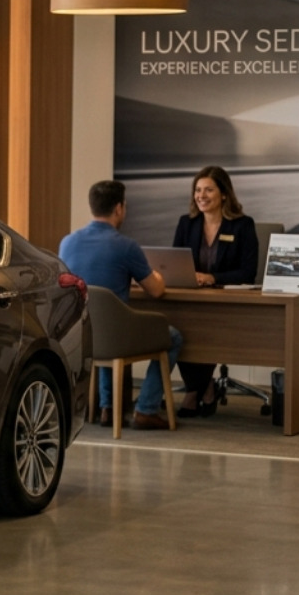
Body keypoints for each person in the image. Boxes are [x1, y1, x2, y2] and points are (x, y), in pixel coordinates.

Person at [60, 179, 184, 430]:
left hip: (79, 331)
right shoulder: (126, 246)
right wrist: (158, 275)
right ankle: (146, 409)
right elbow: (156, 290)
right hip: (114, 335)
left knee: (104, 328)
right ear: (119, 208)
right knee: (172, 337)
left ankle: (108, 408)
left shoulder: (67, 242)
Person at [171, 165, 259, 416]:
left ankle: (193, 391)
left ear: (224, 194)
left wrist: (212, 278)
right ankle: (203, 386)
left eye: (209, 190)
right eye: (197, 190)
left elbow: (247, 272)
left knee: (204, 327)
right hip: (191, 297)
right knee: (180, 327)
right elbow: (176, 262)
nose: (201, 195)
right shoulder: (186, 223)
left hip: (227, 300)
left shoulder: (243, 225)